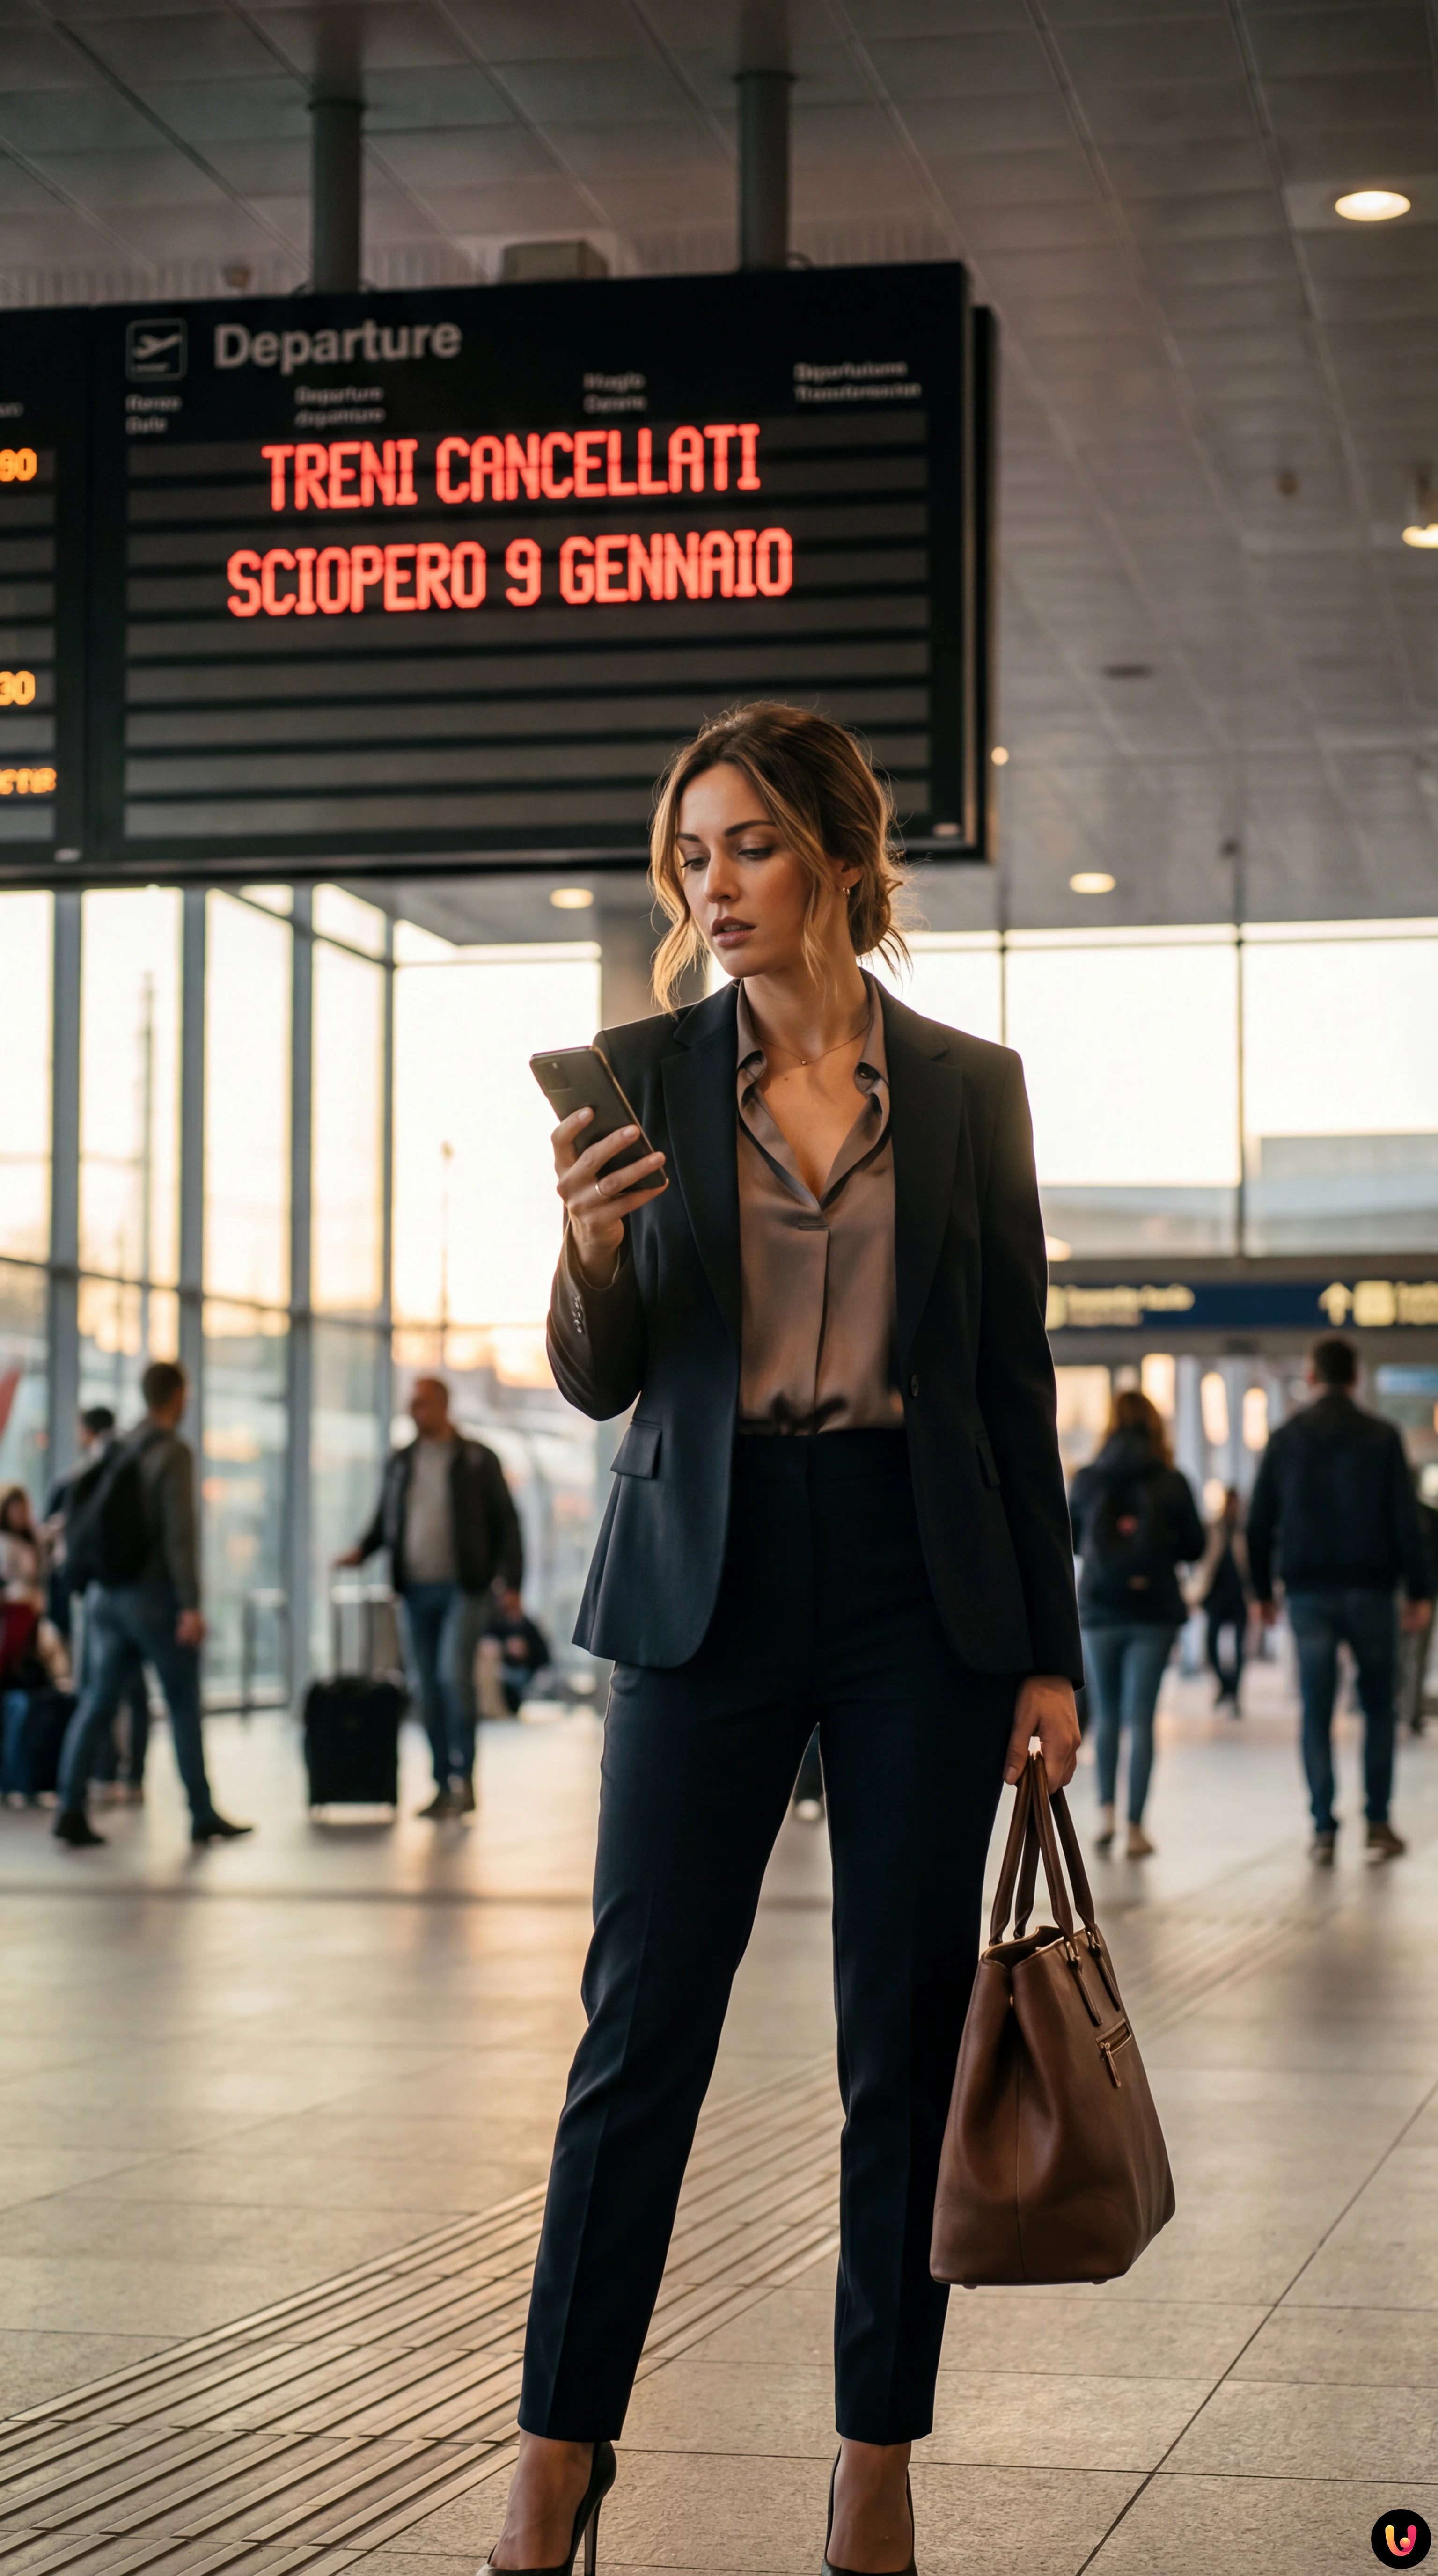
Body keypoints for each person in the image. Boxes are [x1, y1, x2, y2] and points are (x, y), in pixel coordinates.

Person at [489, 703, 1083, 2576]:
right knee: (636, 2038)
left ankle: (875, 2457)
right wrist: (581, 1254)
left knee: (900, 2048)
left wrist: (1050, 1653)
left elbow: (1014, 1386)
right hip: (704, 1577)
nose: (712, 886)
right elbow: (601, 1382)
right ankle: (555, 2456)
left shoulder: (971, 1089)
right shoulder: (643, 1077)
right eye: (690, 853)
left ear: (834, 851)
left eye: (746, 845)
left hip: (926, 1587)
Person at [1247, 1336, 1433, 1864]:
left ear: (1311, 1377)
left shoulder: (1285, 1439)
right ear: (1355, 1378)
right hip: (1373, 1590)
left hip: (1307, 1592)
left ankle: (1323, 1826)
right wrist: (1419, 1589)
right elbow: (1406, 1519)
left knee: (1316, 1709)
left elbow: (1260, 1522)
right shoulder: (1382, 1436)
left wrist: (1262, 1591)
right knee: (1379, 1705)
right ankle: (1378, 1821)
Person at [51, 1359, 251, 1850]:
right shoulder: (172, 1452)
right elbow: (179, 1534)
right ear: (179, 1395)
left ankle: (69, 1806)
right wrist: (191, 1605)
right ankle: (202, 1812)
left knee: (98, 1701)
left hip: (106, 1594)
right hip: (153, 1596)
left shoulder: (118, 1445)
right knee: (183, 1704)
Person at [339, 1376, 524, 1817]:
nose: (413, 1412)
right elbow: (386, 1518)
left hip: (466, 1587)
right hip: (415, 1588)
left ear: (442, 1406)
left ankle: (466, 1779)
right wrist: (362, 1551)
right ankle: (443, 1783)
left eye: (421, 1404)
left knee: (451, 1676)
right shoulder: (401, 1462)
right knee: (424, 1686)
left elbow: (507, 1524)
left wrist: (512, 1583)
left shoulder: (477, 1460)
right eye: (411, 1404)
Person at [1069, 1389, 1204, 1861]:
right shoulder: (1171, 1480)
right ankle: (1135, 1826)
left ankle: (1104, 1812)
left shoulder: (1088, 1479)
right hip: (1154, 1612)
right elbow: (1195, 1545)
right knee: (1140, 1718)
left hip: (1100, 1609)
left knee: (1105, 1716)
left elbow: (1071, 1537)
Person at [43, 1407, 149, 1801]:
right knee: (129, 1694)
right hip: (133, 1597)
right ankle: (131, 1775)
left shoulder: (82, 1482)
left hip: (97, 1600)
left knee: (97, 1696)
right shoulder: (129, 1473)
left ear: (87, 1433)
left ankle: (84, 1787)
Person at [1195, 1485, 1250, 1712]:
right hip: (1215, 1597)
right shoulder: (1213, 1528)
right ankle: (1225, 1686)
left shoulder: (1244, 1530)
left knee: (1240, 1649)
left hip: (1240, 1597)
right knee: (1210, 1646)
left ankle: (1234, 1692)